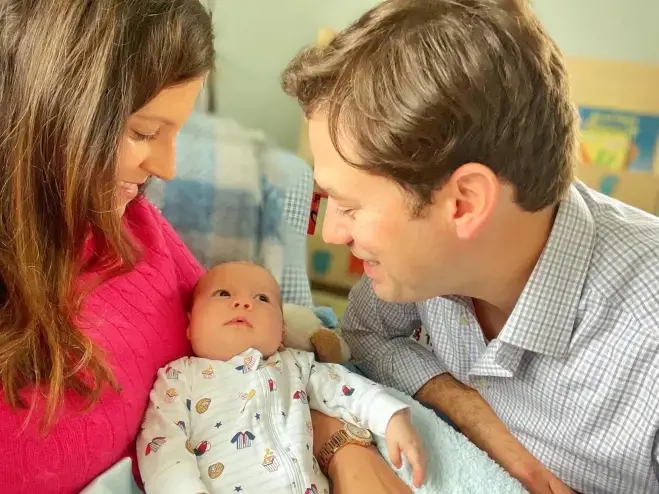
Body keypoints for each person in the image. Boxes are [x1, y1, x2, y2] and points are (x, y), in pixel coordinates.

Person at [0, 1, 411, 493]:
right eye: (144, 132)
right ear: (52, 104)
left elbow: (260, 340)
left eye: (175, 132)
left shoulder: (131, 220)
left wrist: (338, 443)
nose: (167, 167)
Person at [281, 1, 659, 494]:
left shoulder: (645, 340)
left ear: (463, 203)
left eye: (350, 207)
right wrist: (478, 418)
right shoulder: (423, 268)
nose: (331, 233)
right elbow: (367, 334)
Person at [137, 261, 426, 493]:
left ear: (282, 332)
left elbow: (346, 388)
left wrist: (390, 417)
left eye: (262, 298)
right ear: (189, 324)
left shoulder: (297, 365)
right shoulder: (179, 377)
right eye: (223, 294)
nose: (243, 303)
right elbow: (162, 444)